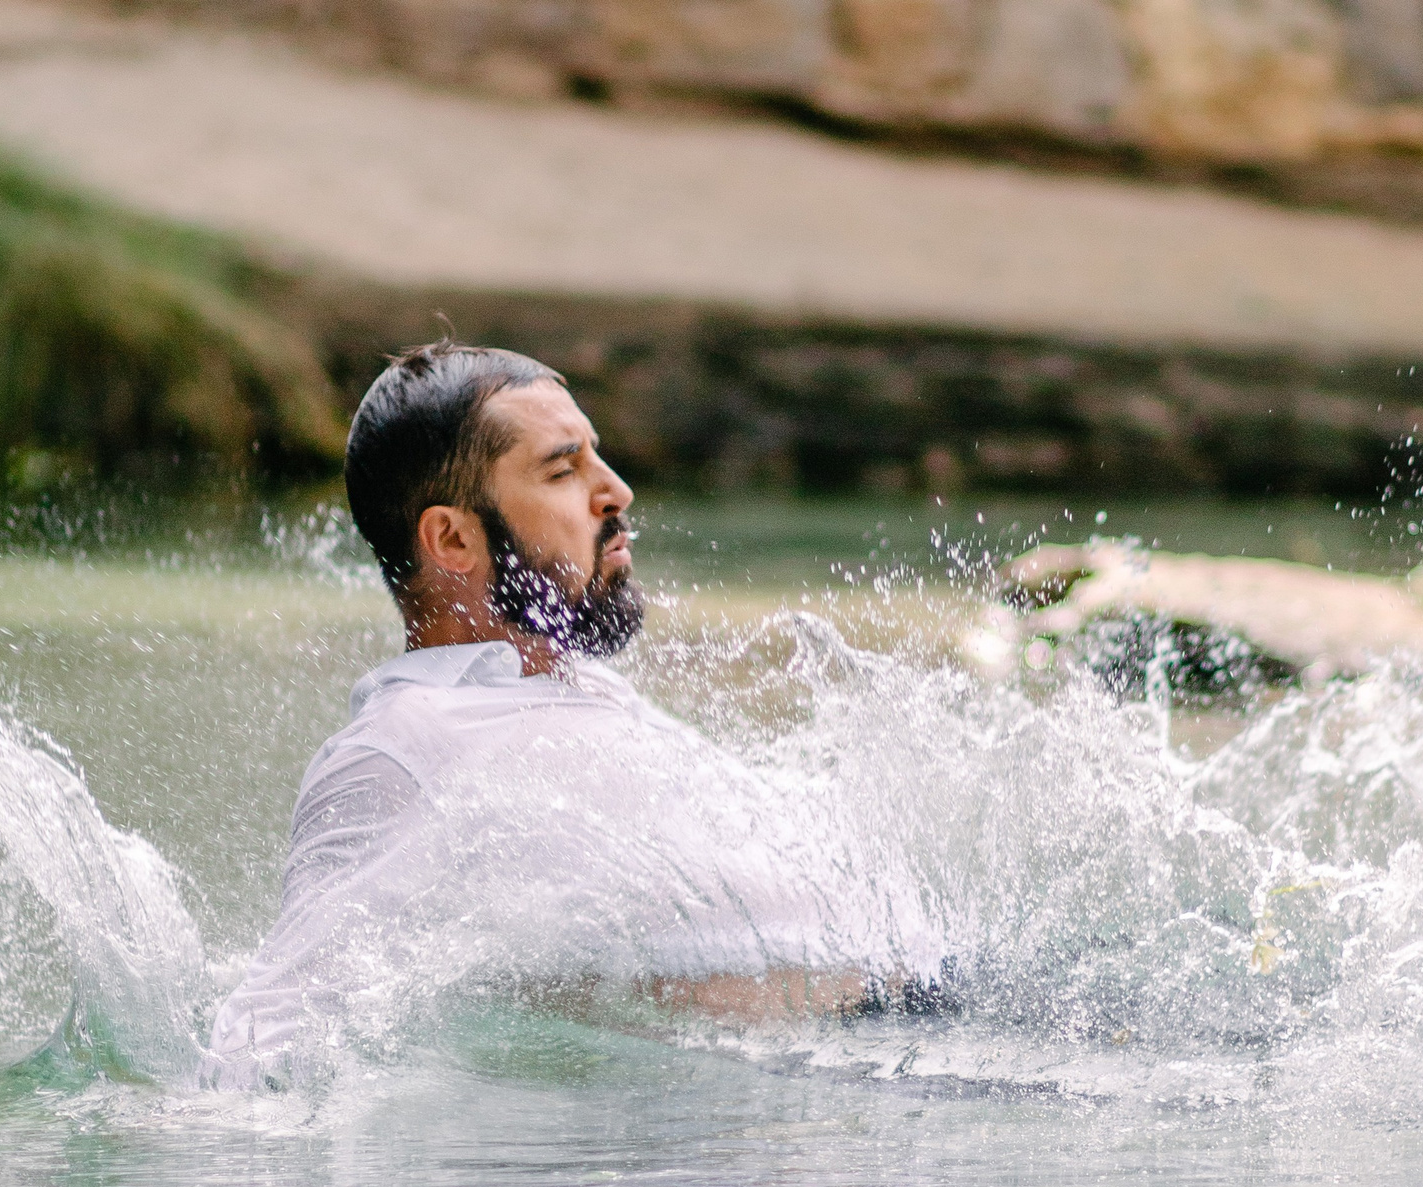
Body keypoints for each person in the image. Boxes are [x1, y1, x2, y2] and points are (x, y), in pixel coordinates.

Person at [202, 342, 943, 1091]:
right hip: (697, 1149)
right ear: (452, 538)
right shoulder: (402, 743)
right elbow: (267, 1037)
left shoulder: (591, 694)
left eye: (597, 458)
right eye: (563, 470)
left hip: (886, 1058)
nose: (615, 491)